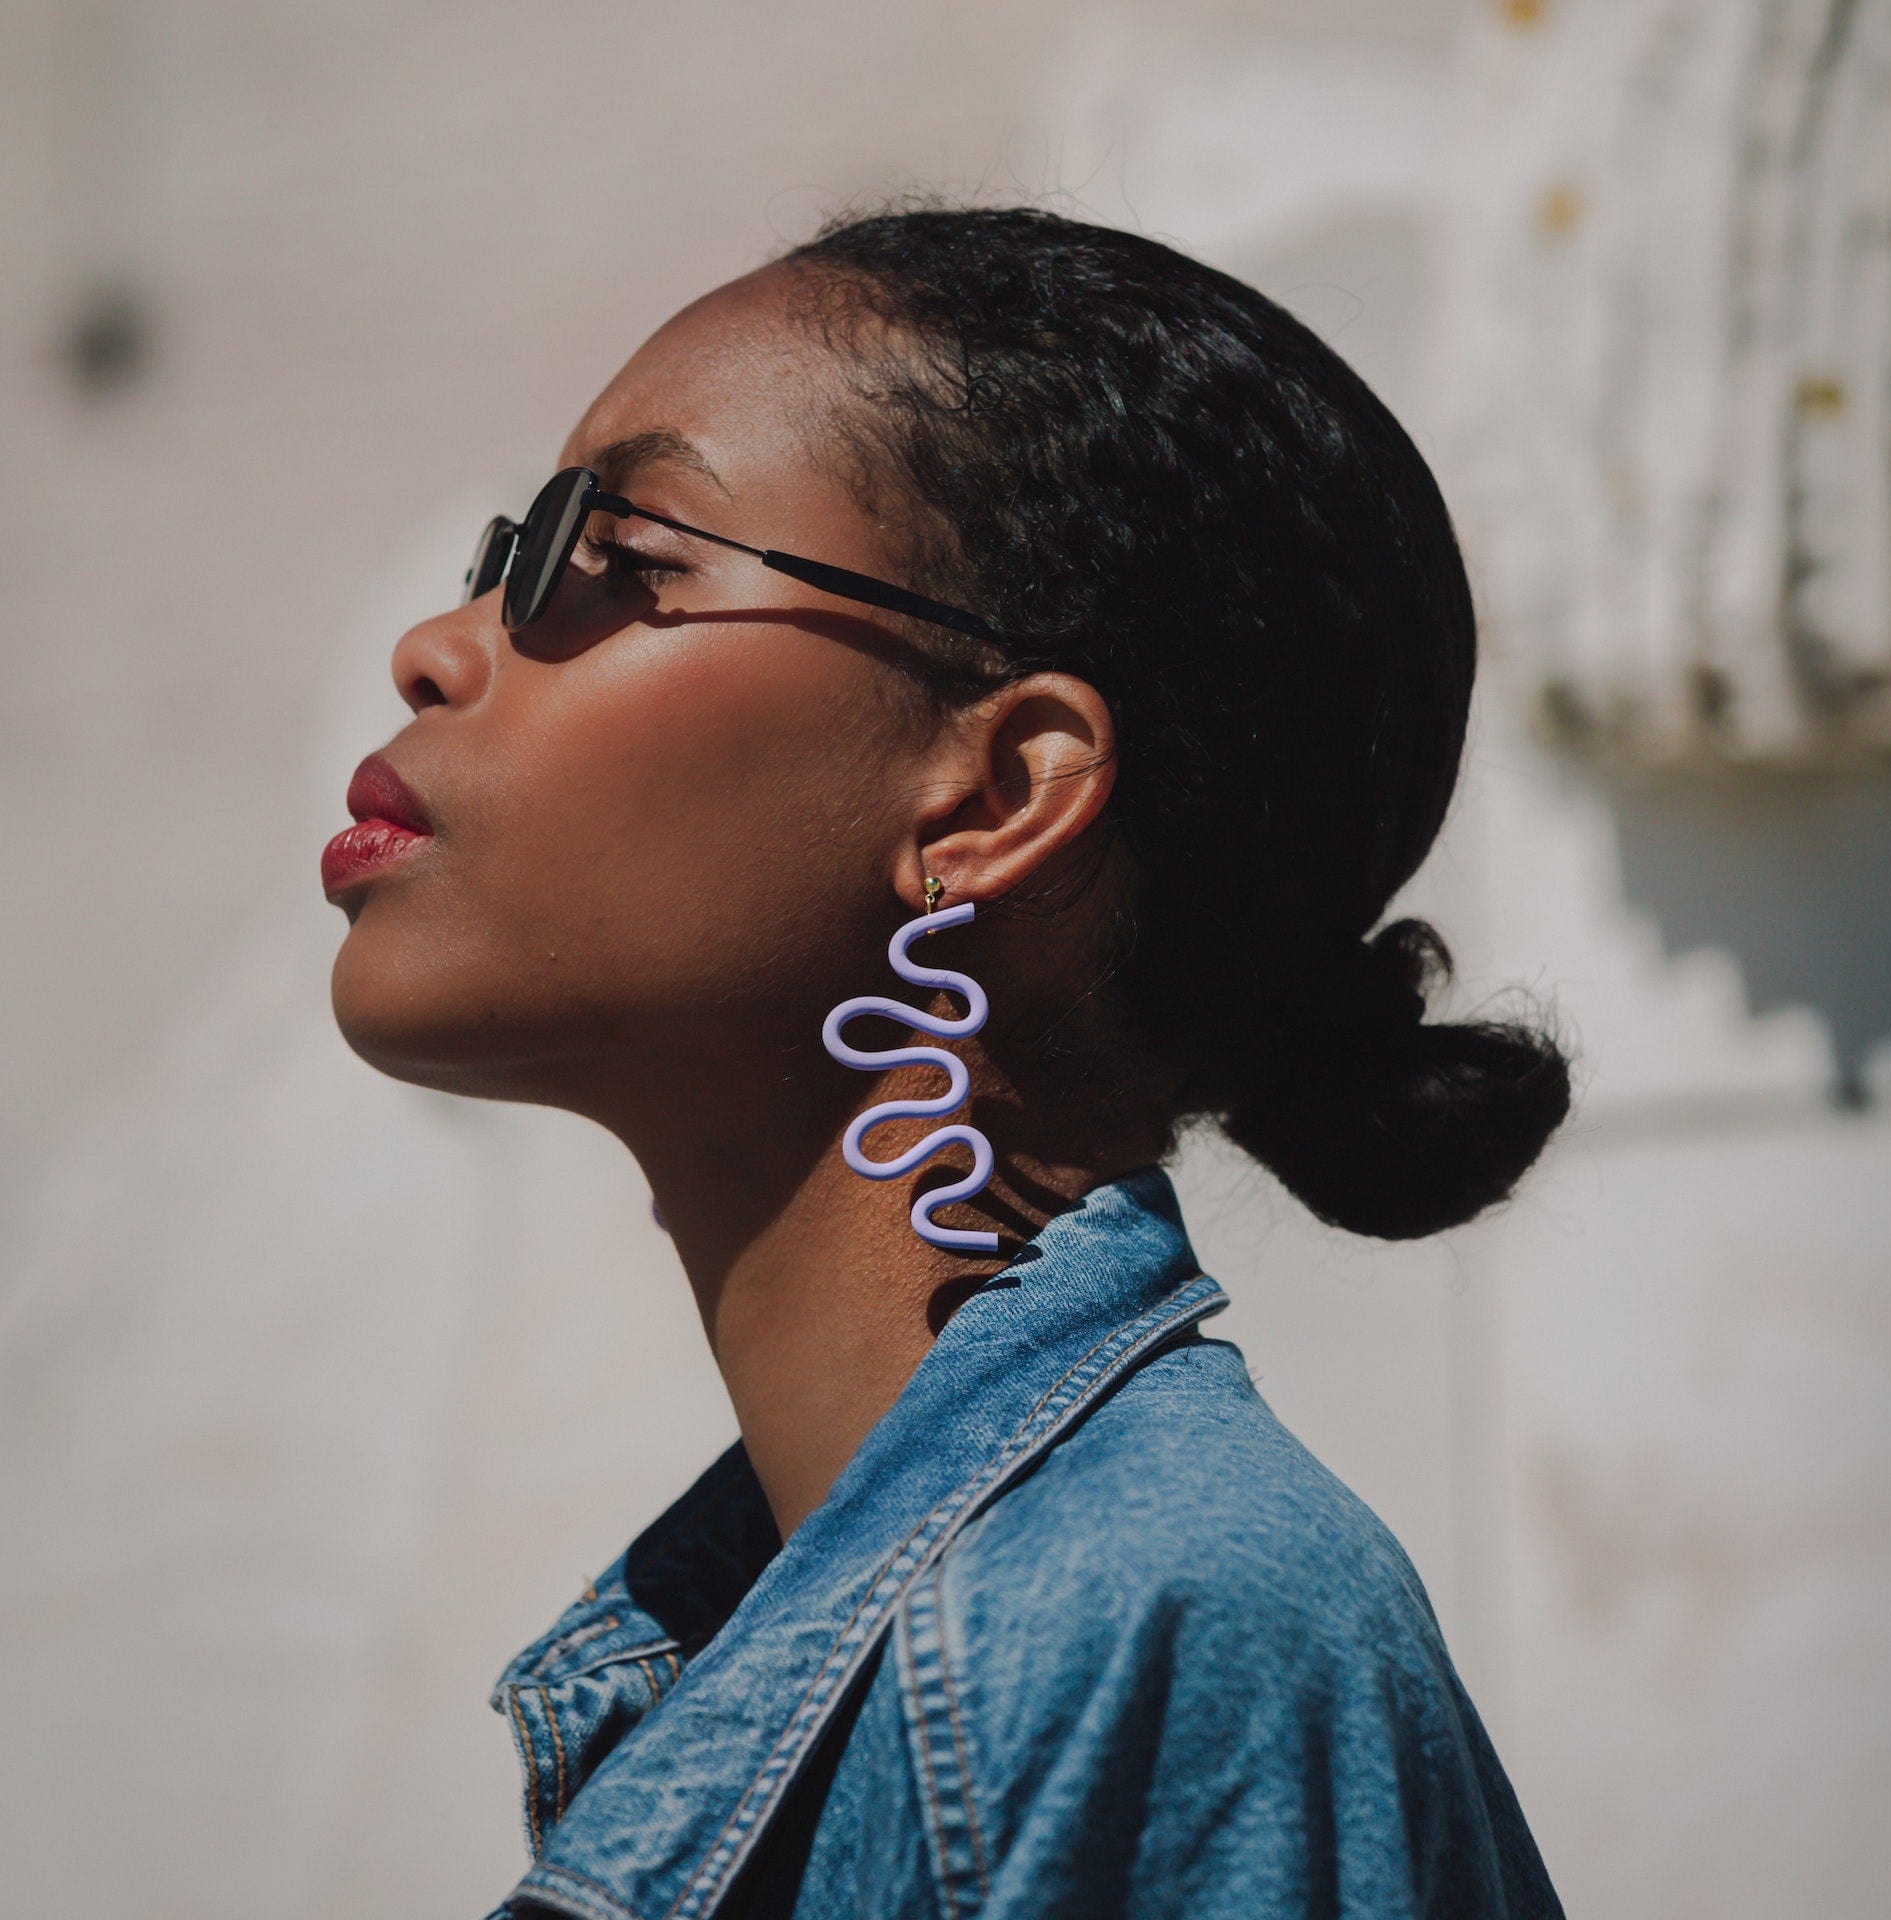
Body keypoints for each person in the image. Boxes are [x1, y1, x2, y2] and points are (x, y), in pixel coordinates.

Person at [323, 201, 1571, 1919]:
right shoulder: (840, 1639)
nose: (444, 643)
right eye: (501, 552)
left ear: (997, 795)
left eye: (616, 554)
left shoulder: (1155, 1628)